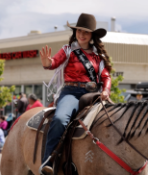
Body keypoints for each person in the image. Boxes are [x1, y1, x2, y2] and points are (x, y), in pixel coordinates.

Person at [39, 13, 112, 175]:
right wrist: (47, 63)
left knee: (114, 121)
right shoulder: (68, 50)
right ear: (75, 32)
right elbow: (54, 62)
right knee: (59, 119)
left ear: (92, 35)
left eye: (86, 32)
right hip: (71, 93)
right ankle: (48, 161)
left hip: (93, 94)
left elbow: (106, 76)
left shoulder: (98, 57)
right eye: (79, 31)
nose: (82, 35)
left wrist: (106, 90)